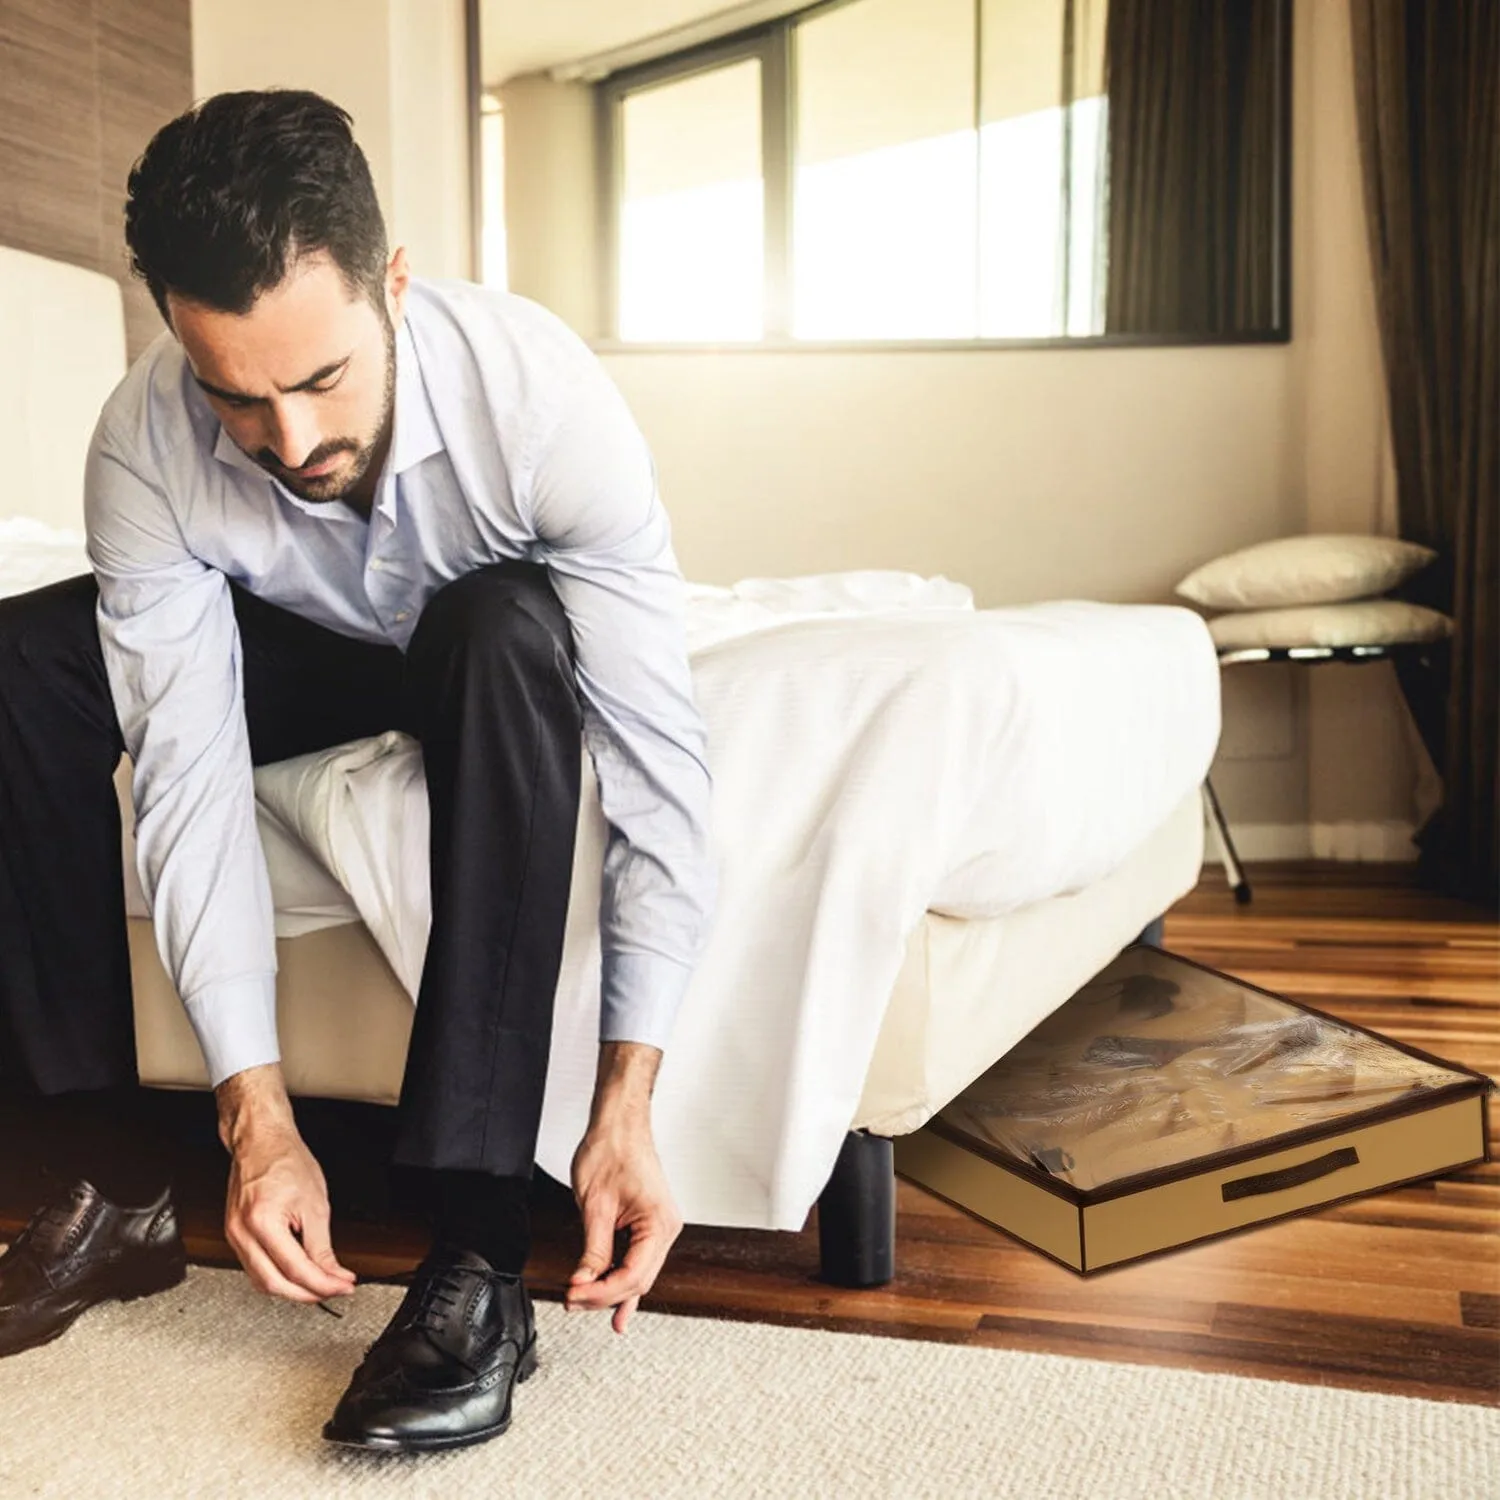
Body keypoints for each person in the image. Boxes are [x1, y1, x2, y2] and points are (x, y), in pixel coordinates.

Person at [0, 89, 715, 1454]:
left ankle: (477, 1251)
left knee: (506, 629)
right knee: (19, 664)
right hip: (303, 645)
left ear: (393, 283)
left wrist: (629, 1098)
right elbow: (189, 773)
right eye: (237, 396)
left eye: (322, 379)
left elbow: (657, 768)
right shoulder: (145, 442)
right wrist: (253, 1112)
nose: (288, 440)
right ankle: (114, 1186)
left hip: (476, 636)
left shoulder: (541, 403)